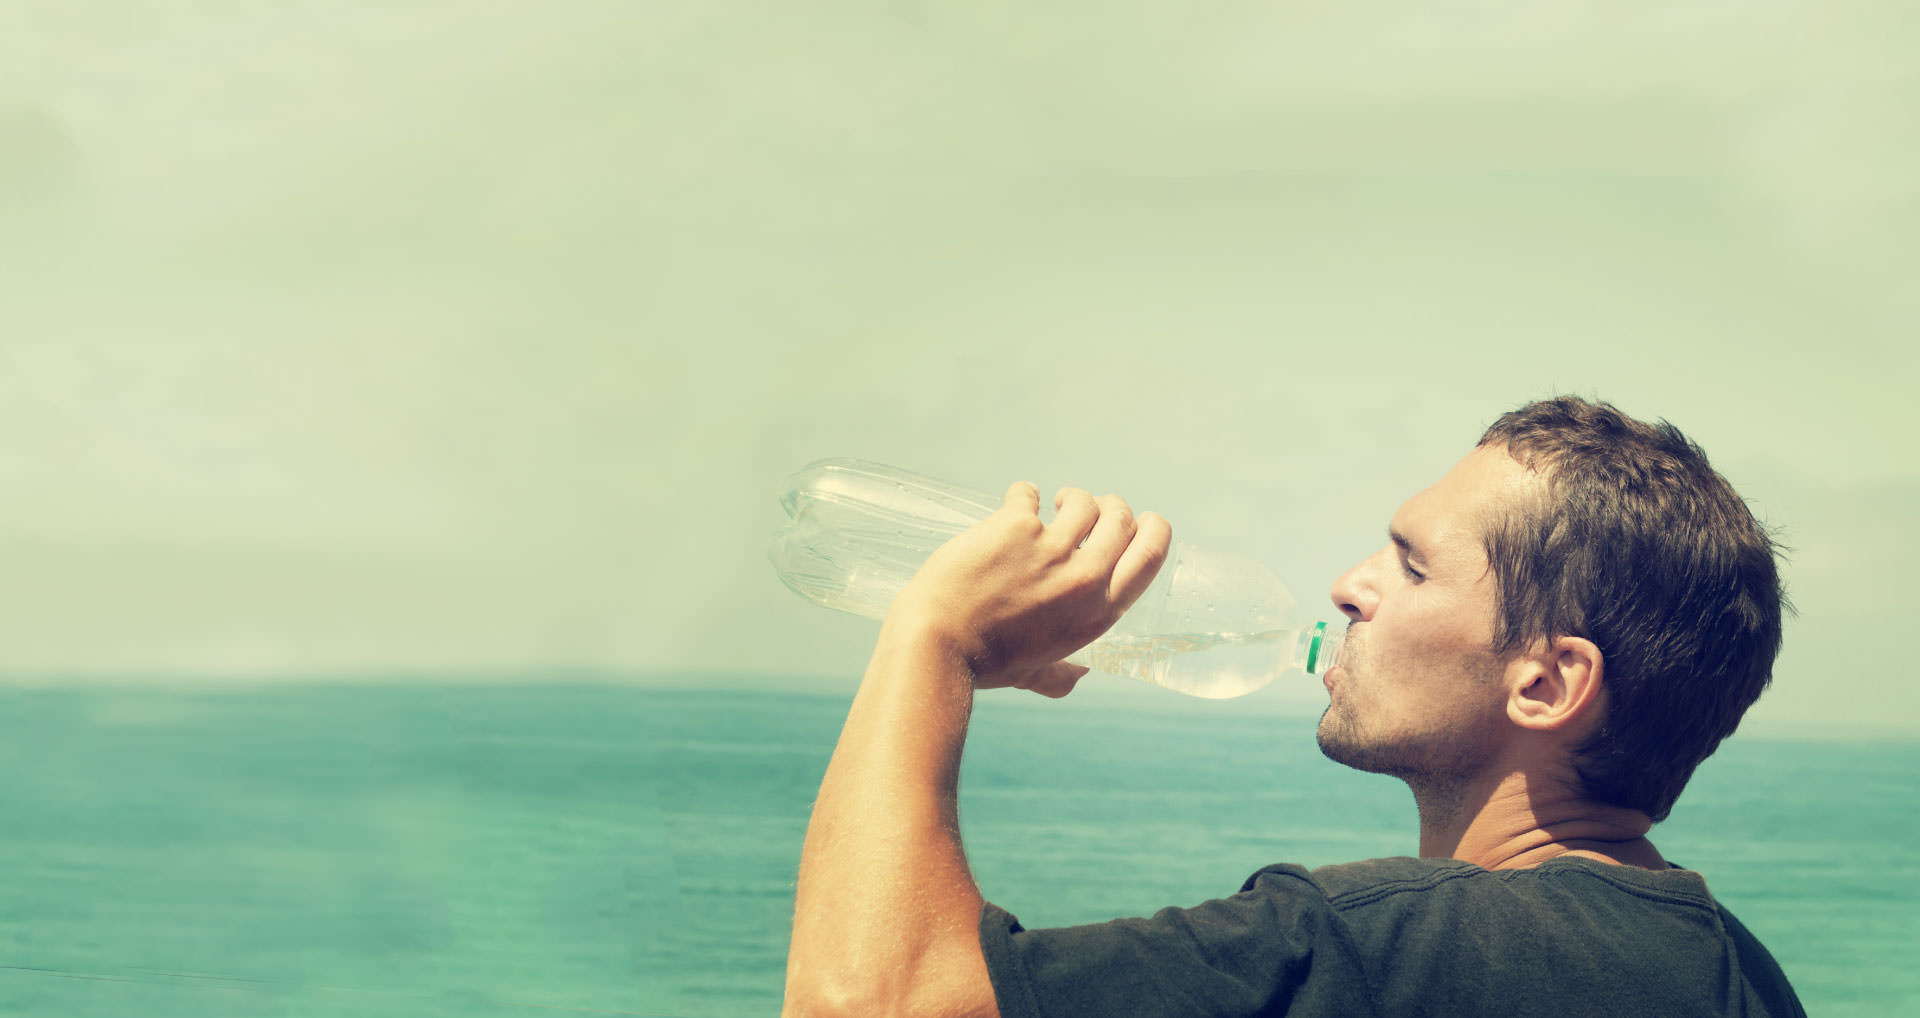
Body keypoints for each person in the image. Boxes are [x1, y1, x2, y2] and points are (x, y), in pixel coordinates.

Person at [780, 396, 1805, 1018]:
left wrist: (933, 639)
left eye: (1411, 566)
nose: (1352, 584)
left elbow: (869, 1004)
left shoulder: (1377, 949)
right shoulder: (1744, 979)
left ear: (1544, 683)